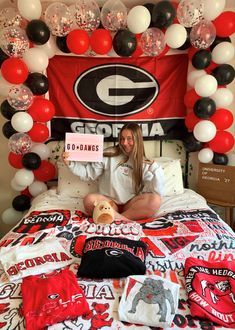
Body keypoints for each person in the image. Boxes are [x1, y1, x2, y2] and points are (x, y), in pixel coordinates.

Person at [62, 123, 165, 221]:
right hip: (109, 203)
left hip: (131, 205)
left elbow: (157, 192)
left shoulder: (143, 162)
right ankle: (123, 219)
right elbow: (88, 174)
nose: (124, 143)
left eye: (129, 139)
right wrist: (70, 163)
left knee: (155, 200)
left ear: (138, 140)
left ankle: (114, 218)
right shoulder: (108, 154)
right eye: (122, 139)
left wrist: (155, 169)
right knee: (89, 200)